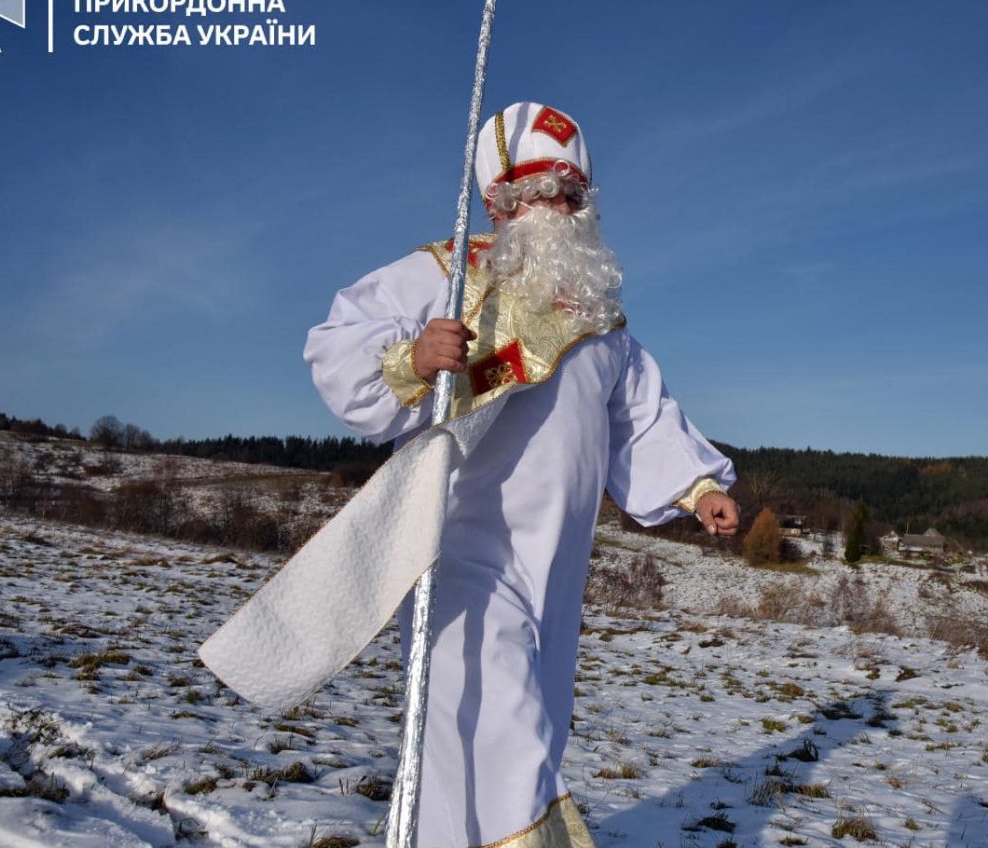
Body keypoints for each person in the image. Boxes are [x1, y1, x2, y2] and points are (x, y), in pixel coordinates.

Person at [303, 102, 738, 848]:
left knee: (519, 737)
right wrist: (412, 356)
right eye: (544, 191)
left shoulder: (605, 326)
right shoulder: (446, 276)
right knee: (493, 726)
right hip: (461, 554)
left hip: (558, 573)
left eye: (575, 195)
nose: (563, 209)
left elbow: (641, 420)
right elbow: (337, 340)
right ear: (501, 203)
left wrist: (698, 489)